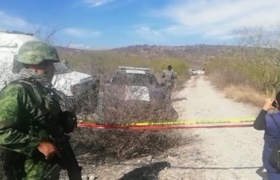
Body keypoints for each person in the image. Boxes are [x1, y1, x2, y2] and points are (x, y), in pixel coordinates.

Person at [0, 40, 80, 179]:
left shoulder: (41, 89)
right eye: (49, 64)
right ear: (35, 64)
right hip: (28, 168)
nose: (53, 69)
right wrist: (37, 144)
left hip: (46, 165)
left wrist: (63, 120)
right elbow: (3, 131)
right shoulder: (17, 91)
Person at [253, 92, 280, 180]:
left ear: (276, 102)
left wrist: (266, 107)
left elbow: (257, 125)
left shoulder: (270, 119)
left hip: (273, 161)